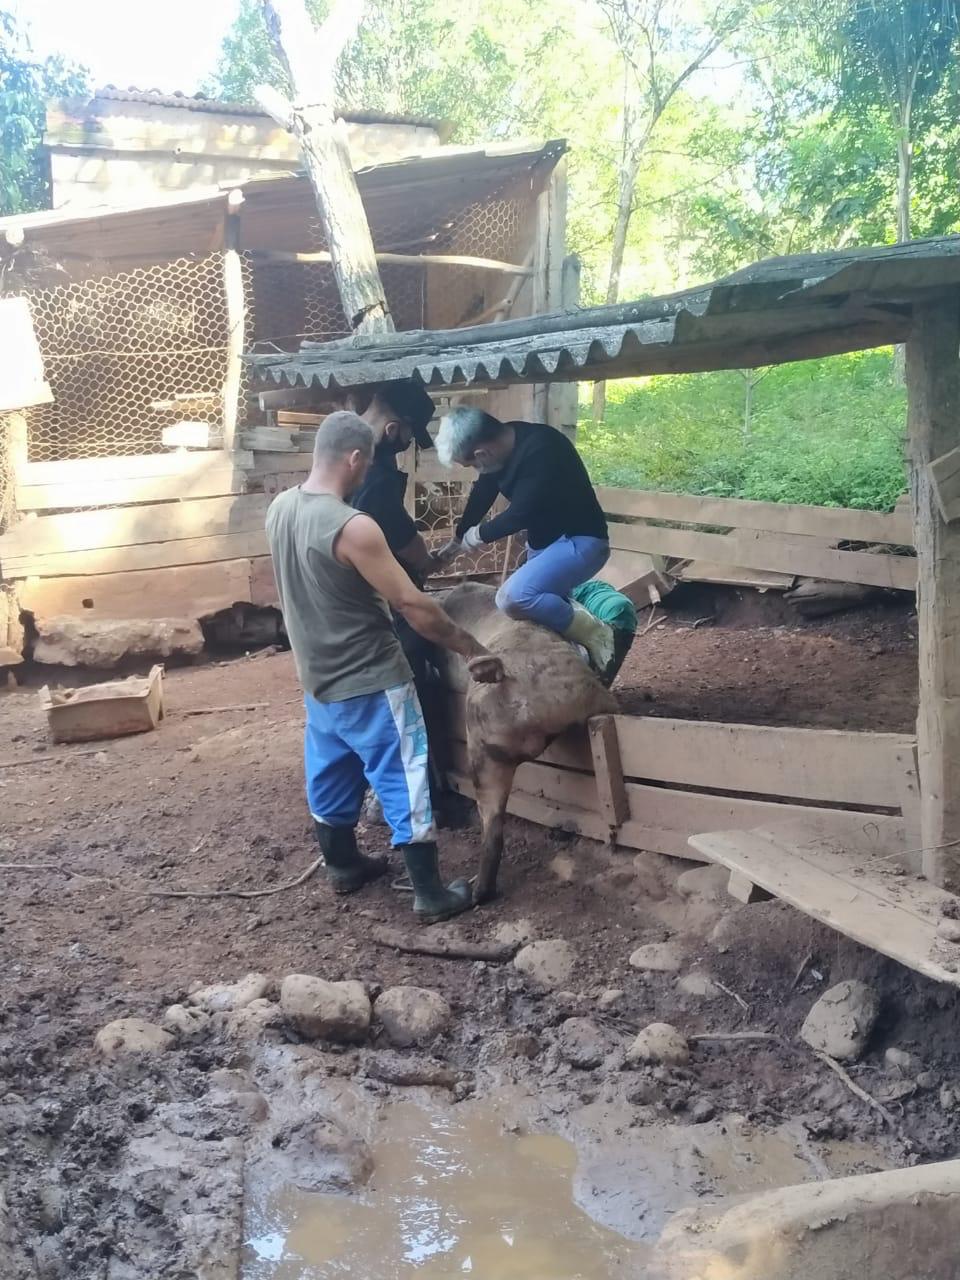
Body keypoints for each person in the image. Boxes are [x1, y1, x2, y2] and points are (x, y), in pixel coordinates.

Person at [266, 410, 503, 924]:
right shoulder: (353, 527)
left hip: (319, 680)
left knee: (329, 769)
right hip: (372, 678)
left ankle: (344, 865)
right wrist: (471, 648)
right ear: (355, 458)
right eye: (367, 463)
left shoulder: (280, 508)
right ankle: (430, 894)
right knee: (403, 775)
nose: (367, 472)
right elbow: (415, 607)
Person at [435, 407, 615, 673]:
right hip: (544, 545)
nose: (476, 469)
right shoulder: (503, 447)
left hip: (580, 540)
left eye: (472, 464)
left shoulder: (543, 450)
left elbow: (520, 514)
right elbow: (483, 492)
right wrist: (458, 538)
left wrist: (474, 538)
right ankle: (578, 669)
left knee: (514, 597)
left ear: (482, 453)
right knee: (547, 621)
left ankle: (596, 632)